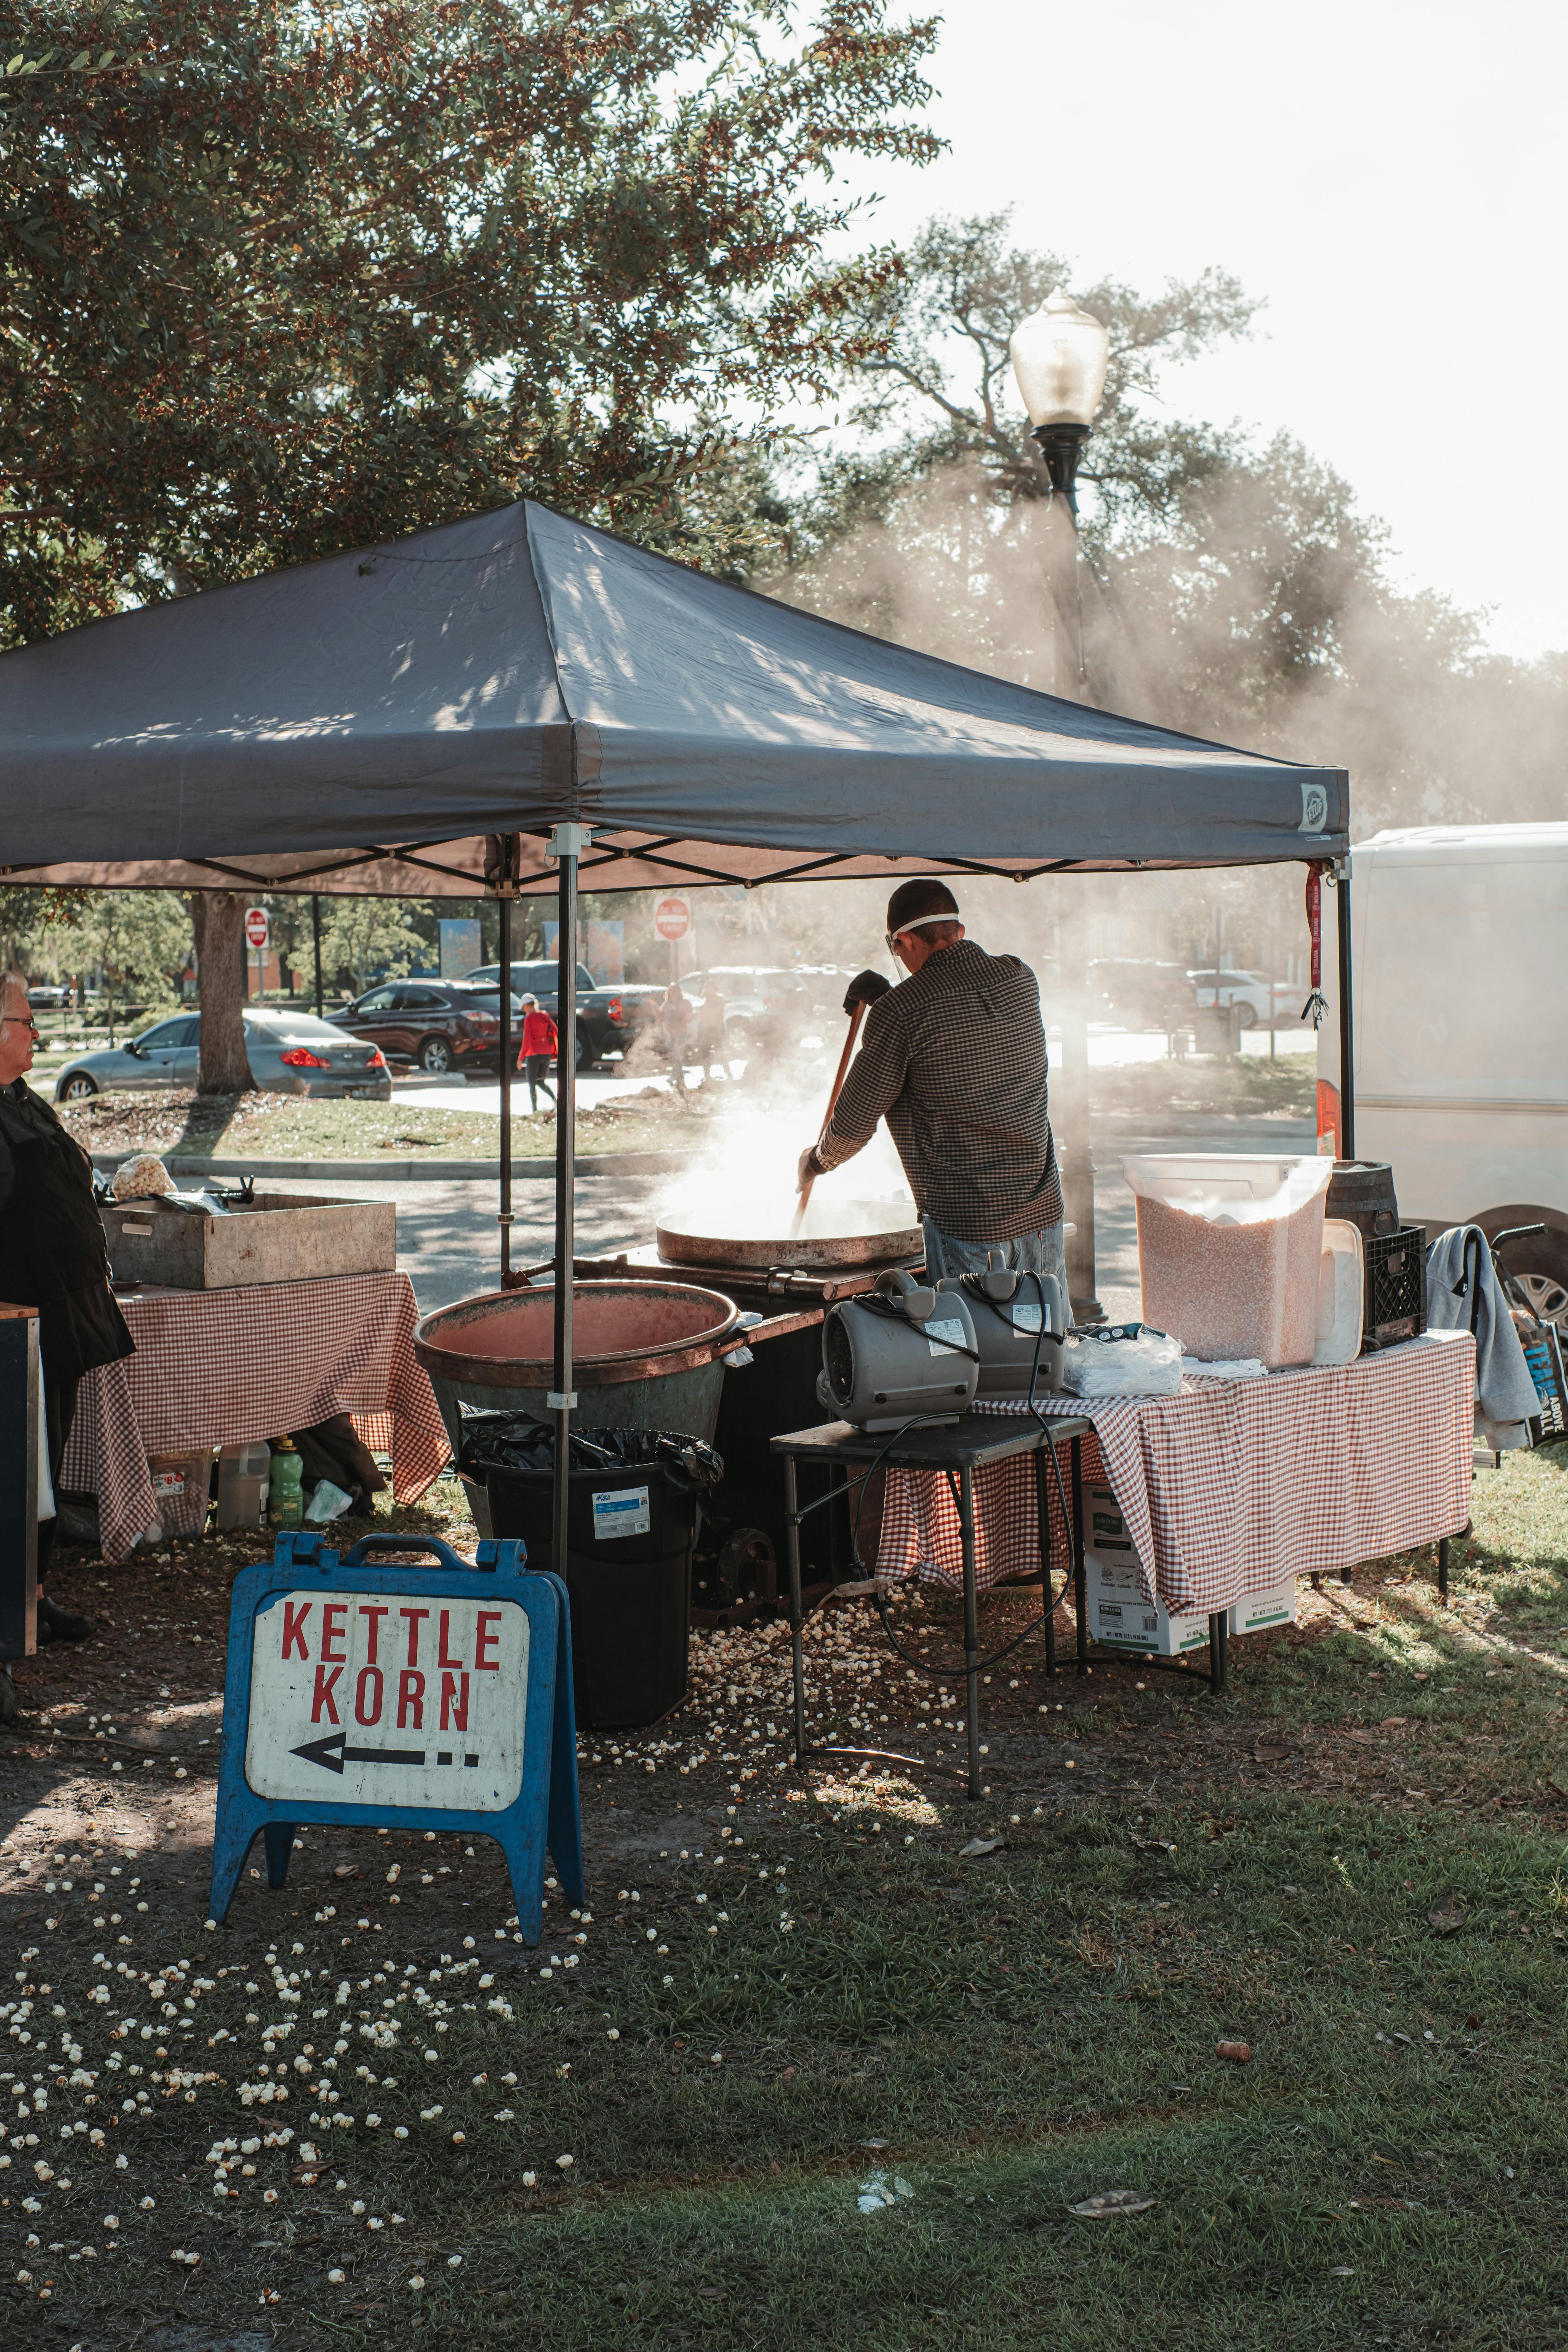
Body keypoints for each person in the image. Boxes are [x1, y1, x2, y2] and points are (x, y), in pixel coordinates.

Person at [797, 878, 1064, 1288]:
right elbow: (960, 1038)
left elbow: (853, 1124)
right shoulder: (1018, 976)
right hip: (1041, 1211)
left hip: (968, 1223)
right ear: (958, 930)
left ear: (903, 940)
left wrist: (817, 1161)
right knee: (1045, 1344)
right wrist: (888, 998)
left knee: (979, 1347)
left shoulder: (901, 1013)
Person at [0, 971, 135, 1668]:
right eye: (26, 1021)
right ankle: (10, 1609)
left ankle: (35, 1596)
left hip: (65, 1316)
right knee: (17, 1474)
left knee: (45, 1467)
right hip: (15, 1326)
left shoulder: (26, 1100)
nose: (37, 1033)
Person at [515, 993, 557, 1115]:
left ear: (528, 1006)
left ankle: (535, 1110)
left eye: (524, 1007)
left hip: (533, 1054)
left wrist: (520, 1058)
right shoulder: (545, 1016)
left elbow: (527, 1039)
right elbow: (555, 1031)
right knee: (541, 1081)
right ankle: (556, 1101)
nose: (524, 1010)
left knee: (532, 1084)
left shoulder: (529, 1018)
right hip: (546, 1054)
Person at [660, 982, 692, 1107]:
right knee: (674, 1054)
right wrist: (652, 1006)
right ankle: (676, 1075)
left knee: (677, 1054)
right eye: (671, 991)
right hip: (670, 1034)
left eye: (675, 991)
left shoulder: (685, 1004)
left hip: (681, 1033)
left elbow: (688, 1017)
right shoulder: (667, 1004)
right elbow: (661, 1016)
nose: (673, 994)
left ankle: (679, 1078)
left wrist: (680, 1023)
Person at [694, 982, 729, 1084]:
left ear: (714, 989)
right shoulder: (704, 1001)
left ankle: (728, 1074)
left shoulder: (720, 999)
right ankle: (707, 1076)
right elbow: (703, 1017)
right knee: (705, 1053)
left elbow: (717, 1012)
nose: (706, 990)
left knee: (720, 1052)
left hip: (717, 1029)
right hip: (705, 1030)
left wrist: (705, 1007)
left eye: (708, 988)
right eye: (705, 988)